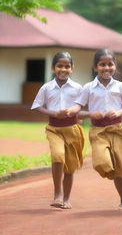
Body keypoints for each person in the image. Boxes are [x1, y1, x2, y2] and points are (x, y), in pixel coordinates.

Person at [67, 49, 122, 211]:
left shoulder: (121, 86)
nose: (106, 67)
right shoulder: (89, 88)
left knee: (119, 165)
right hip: (98, 130)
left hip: (118, 129)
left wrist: (118, 112)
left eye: (110, 64)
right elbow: (79, 107)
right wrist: (88, 113)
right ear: (95, 67)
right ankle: (110, 171)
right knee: (101, 162)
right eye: (102, 64)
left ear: (115, 65)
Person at [31, 52, 85, 209]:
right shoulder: (46, 88)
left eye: (67, 66)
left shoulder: (77, 88)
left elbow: (81, 106)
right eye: (60, 66)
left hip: (73, 130)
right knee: (57, 156)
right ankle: (57, 194)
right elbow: (37, 106)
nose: (63, 69)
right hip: (54, 129)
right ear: (53, 68)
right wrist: (53, 113)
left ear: (72, 68)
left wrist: (72, 111)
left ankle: (66, 198)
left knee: (70, 166)